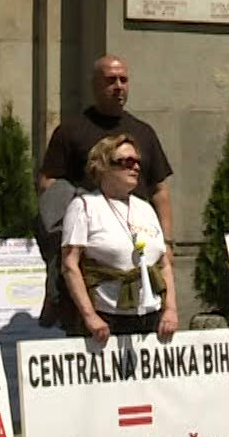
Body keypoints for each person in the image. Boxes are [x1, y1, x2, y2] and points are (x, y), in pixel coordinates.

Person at [37, 55, 175, 323]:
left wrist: (168, 242)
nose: (119, 86)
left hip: (139, 246)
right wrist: (66, 223)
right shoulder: (71, 130)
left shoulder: (144, 132)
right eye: (110, 80)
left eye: (123, 80)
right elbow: (48, 183)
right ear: (95, 85)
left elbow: (160, 189)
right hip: (92, 250)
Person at [59, 135, 178, 340]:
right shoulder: (85, 206)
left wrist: (170, 310)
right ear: (104, 166)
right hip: (107, 316)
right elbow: (70, 265)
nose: (136, 168)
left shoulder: (145, 208)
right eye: (127, 162)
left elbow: (164, 263)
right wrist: (90, 316)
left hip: (151, 314)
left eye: (138, 162)